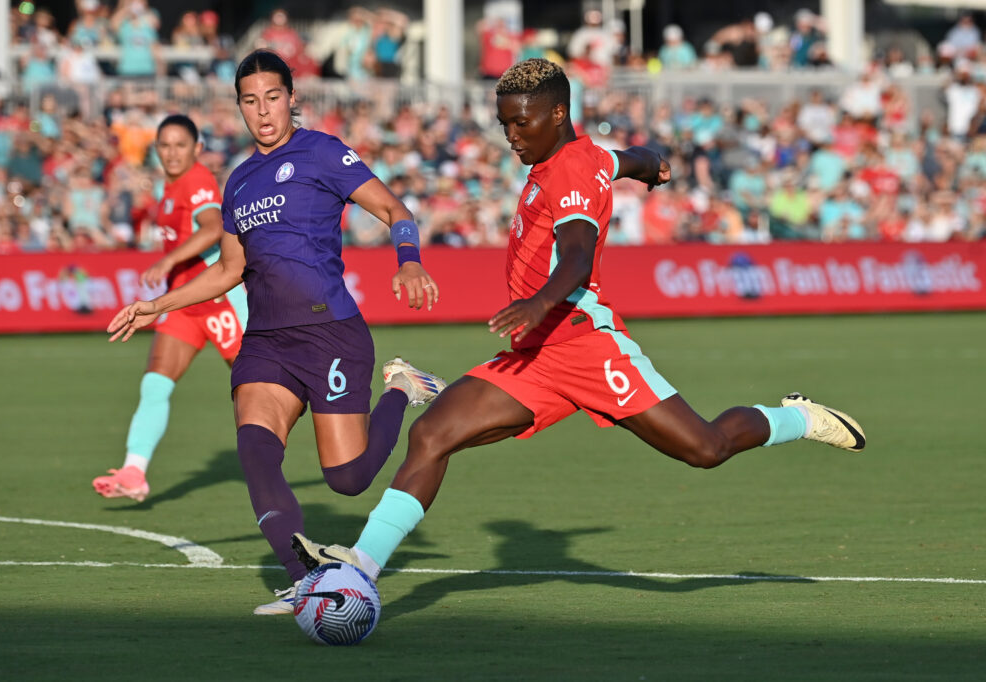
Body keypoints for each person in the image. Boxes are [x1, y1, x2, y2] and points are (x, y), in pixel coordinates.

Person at [292, 58, 867, 594]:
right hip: (537, 357)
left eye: (521, 123)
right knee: (432, 434)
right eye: (504, 124)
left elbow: (577, 257)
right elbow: (625, 160)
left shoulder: (569, 171)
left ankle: (797, 416)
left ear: (558, 114)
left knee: (706, 448)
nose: (511, 136)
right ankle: (360, 567)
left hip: (586, 347)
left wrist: (540, 303)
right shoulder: (579, 157)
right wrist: (652, 164)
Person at [105, 50, 447, 615]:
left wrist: (408, 260)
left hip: (330, 333)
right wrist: (156, 304)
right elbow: (227, 271)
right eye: (250, 101)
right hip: (265, 341)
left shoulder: (323, 151)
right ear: (238, 107)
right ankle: (302, 581)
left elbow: (393, 207)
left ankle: (402, 387)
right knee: (256, 452)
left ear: (292, 98)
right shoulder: (239, 181)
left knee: (349, 479)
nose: (263, 111)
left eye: (272, 97)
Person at [93, 114, 248, 502]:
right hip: (184, 302)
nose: (173, 152)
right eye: (165, 145)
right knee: (155, 384)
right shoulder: (171, 185)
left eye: (181, 145)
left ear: (197, 149)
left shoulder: (196, 179)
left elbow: (213, 227)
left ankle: (357, 423)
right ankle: (134, 471)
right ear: (156, 149)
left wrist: (165, 260)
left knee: (266, 389)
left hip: (218, 300)